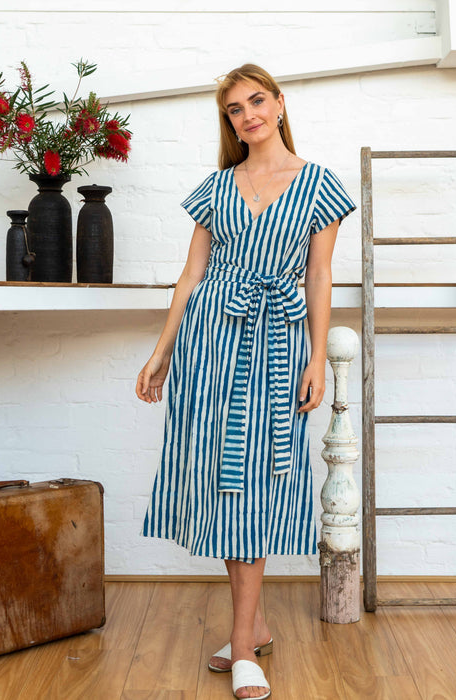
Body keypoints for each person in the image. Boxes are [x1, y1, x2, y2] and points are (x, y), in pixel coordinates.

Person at [136, 63, 357, 700]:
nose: (248, 115)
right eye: (235, 109)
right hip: (210, 340)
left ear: (280, 104)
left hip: (277, 343)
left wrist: (315, 357)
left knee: (256, 479)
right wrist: (162, 352)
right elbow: (191, 275)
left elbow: (319, 277)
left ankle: (241, 642)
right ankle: (249, 630)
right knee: (222, 480)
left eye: (257, 101)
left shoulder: (319, 186)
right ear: (229, 122)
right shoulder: (217, 186)